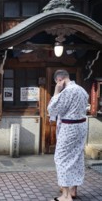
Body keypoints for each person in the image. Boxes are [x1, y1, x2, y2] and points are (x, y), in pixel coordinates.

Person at [47, 70, 88, 201]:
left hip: (69, 127)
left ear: (60, 80)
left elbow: (52, 109)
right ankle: (73, 189)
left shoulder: (67, 91)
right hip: (81, 126)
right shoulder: (81, 90)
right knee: (76, 156)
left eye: (57, 83)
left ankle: (66, 195)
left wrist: (56, 92)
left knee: (61, 158)